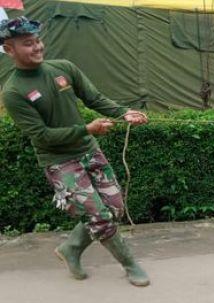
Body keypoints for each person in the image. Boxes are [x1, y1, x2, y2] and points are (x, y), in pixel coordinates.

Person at [1, 17, 150, 287]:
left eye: (38, 40)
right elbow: (42, 135)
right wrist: (87, 129)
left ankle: (71, 248)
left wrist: (124, 112)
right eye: (28, 43)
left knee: (114, 208)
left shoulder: (63, 68)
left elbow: (94, 98)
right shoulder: (13, 92)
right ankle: (130, 265)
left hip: (89, 151)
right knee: (99, 216)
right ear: (9, 49)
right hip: (59, 161)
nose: (37, 47)